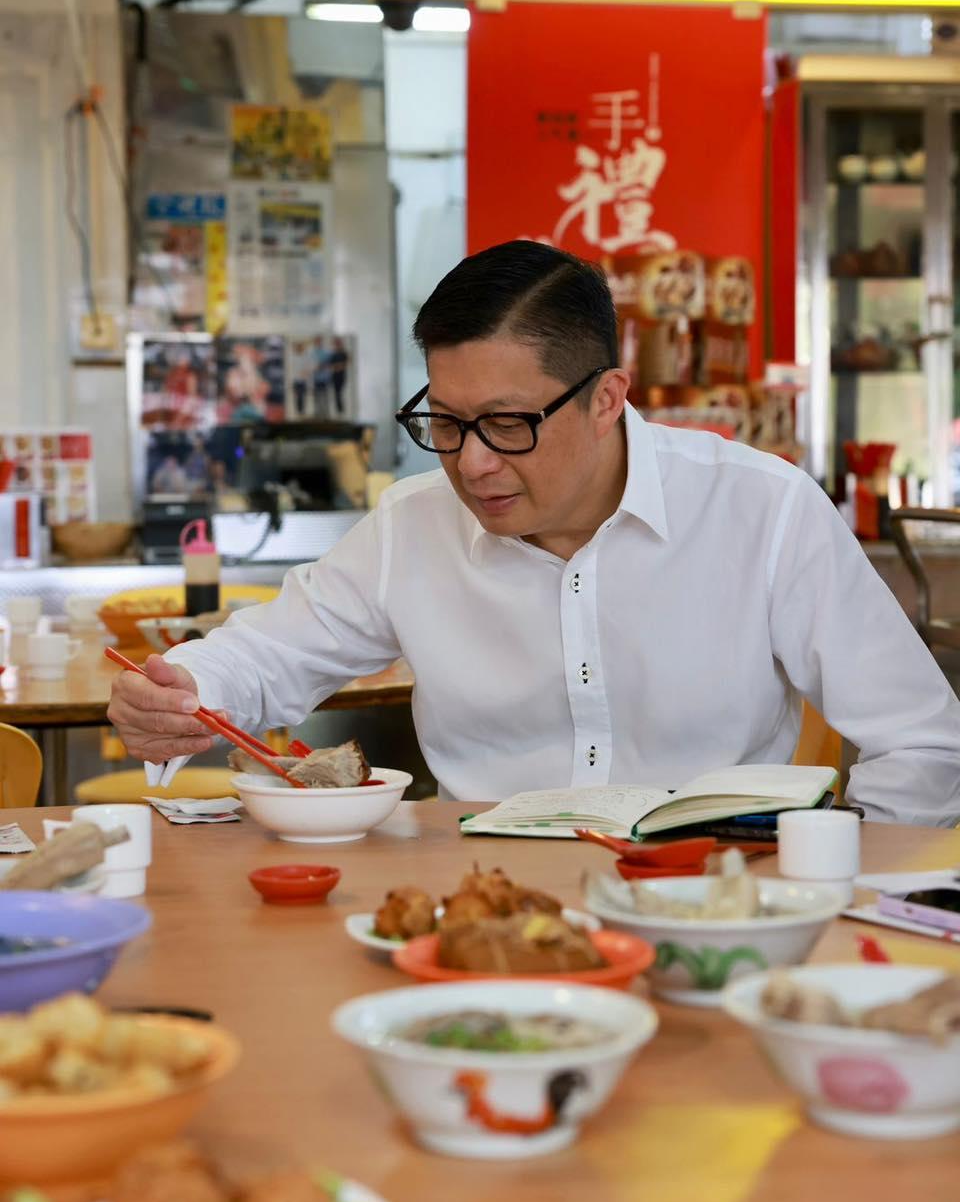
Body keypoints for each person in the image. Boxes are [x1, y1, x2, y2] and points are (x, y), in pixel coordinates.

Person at [108, 241, 960, 825]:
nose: (472, 463)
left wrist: (840, 872)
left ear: (606, 398)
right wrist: (180, 691)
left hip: (714, 896)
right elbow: (265, 656)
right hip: (480, 901)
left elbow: (922, 741)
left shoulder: (762, 512)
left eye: (508, 423)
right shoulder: (413, 525)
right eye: (445, 422)